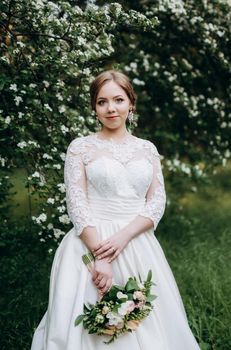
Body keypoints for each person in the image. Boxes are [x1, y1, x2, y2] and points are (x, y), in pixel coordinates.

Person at [31, 70, 200, 349]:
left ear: (131, 103)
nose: (111, 108)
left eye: (118, 100)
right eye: (102, 101)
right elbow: (76, 203)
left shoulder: (147, 149)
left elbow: (156, 203)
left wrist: (122, 238)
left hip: (136, 243)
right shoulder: (80, 148)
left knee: (149, 326)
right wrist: (101, 257)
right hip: (89, 243)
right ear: (94, 108)